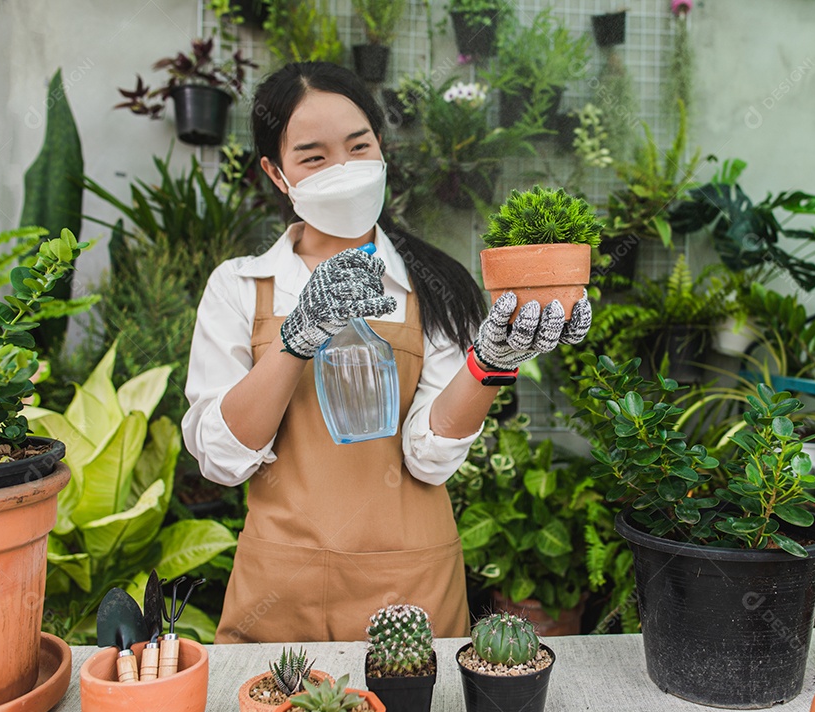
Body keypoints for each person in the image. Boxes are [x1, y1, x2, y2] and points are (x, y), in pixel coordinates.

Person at [181, 62, 592, 643]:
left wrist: (490, 364)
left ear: (382, 147)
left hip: (411, 590)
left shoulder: (434, 288)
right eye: (314, 157)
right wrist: (296, 338)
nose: (343, 171)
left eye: (358, 146)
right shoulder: (241, 287)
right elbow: (221, 461)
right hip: (279, 592)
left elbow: (429, 459)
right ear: (277, 173)